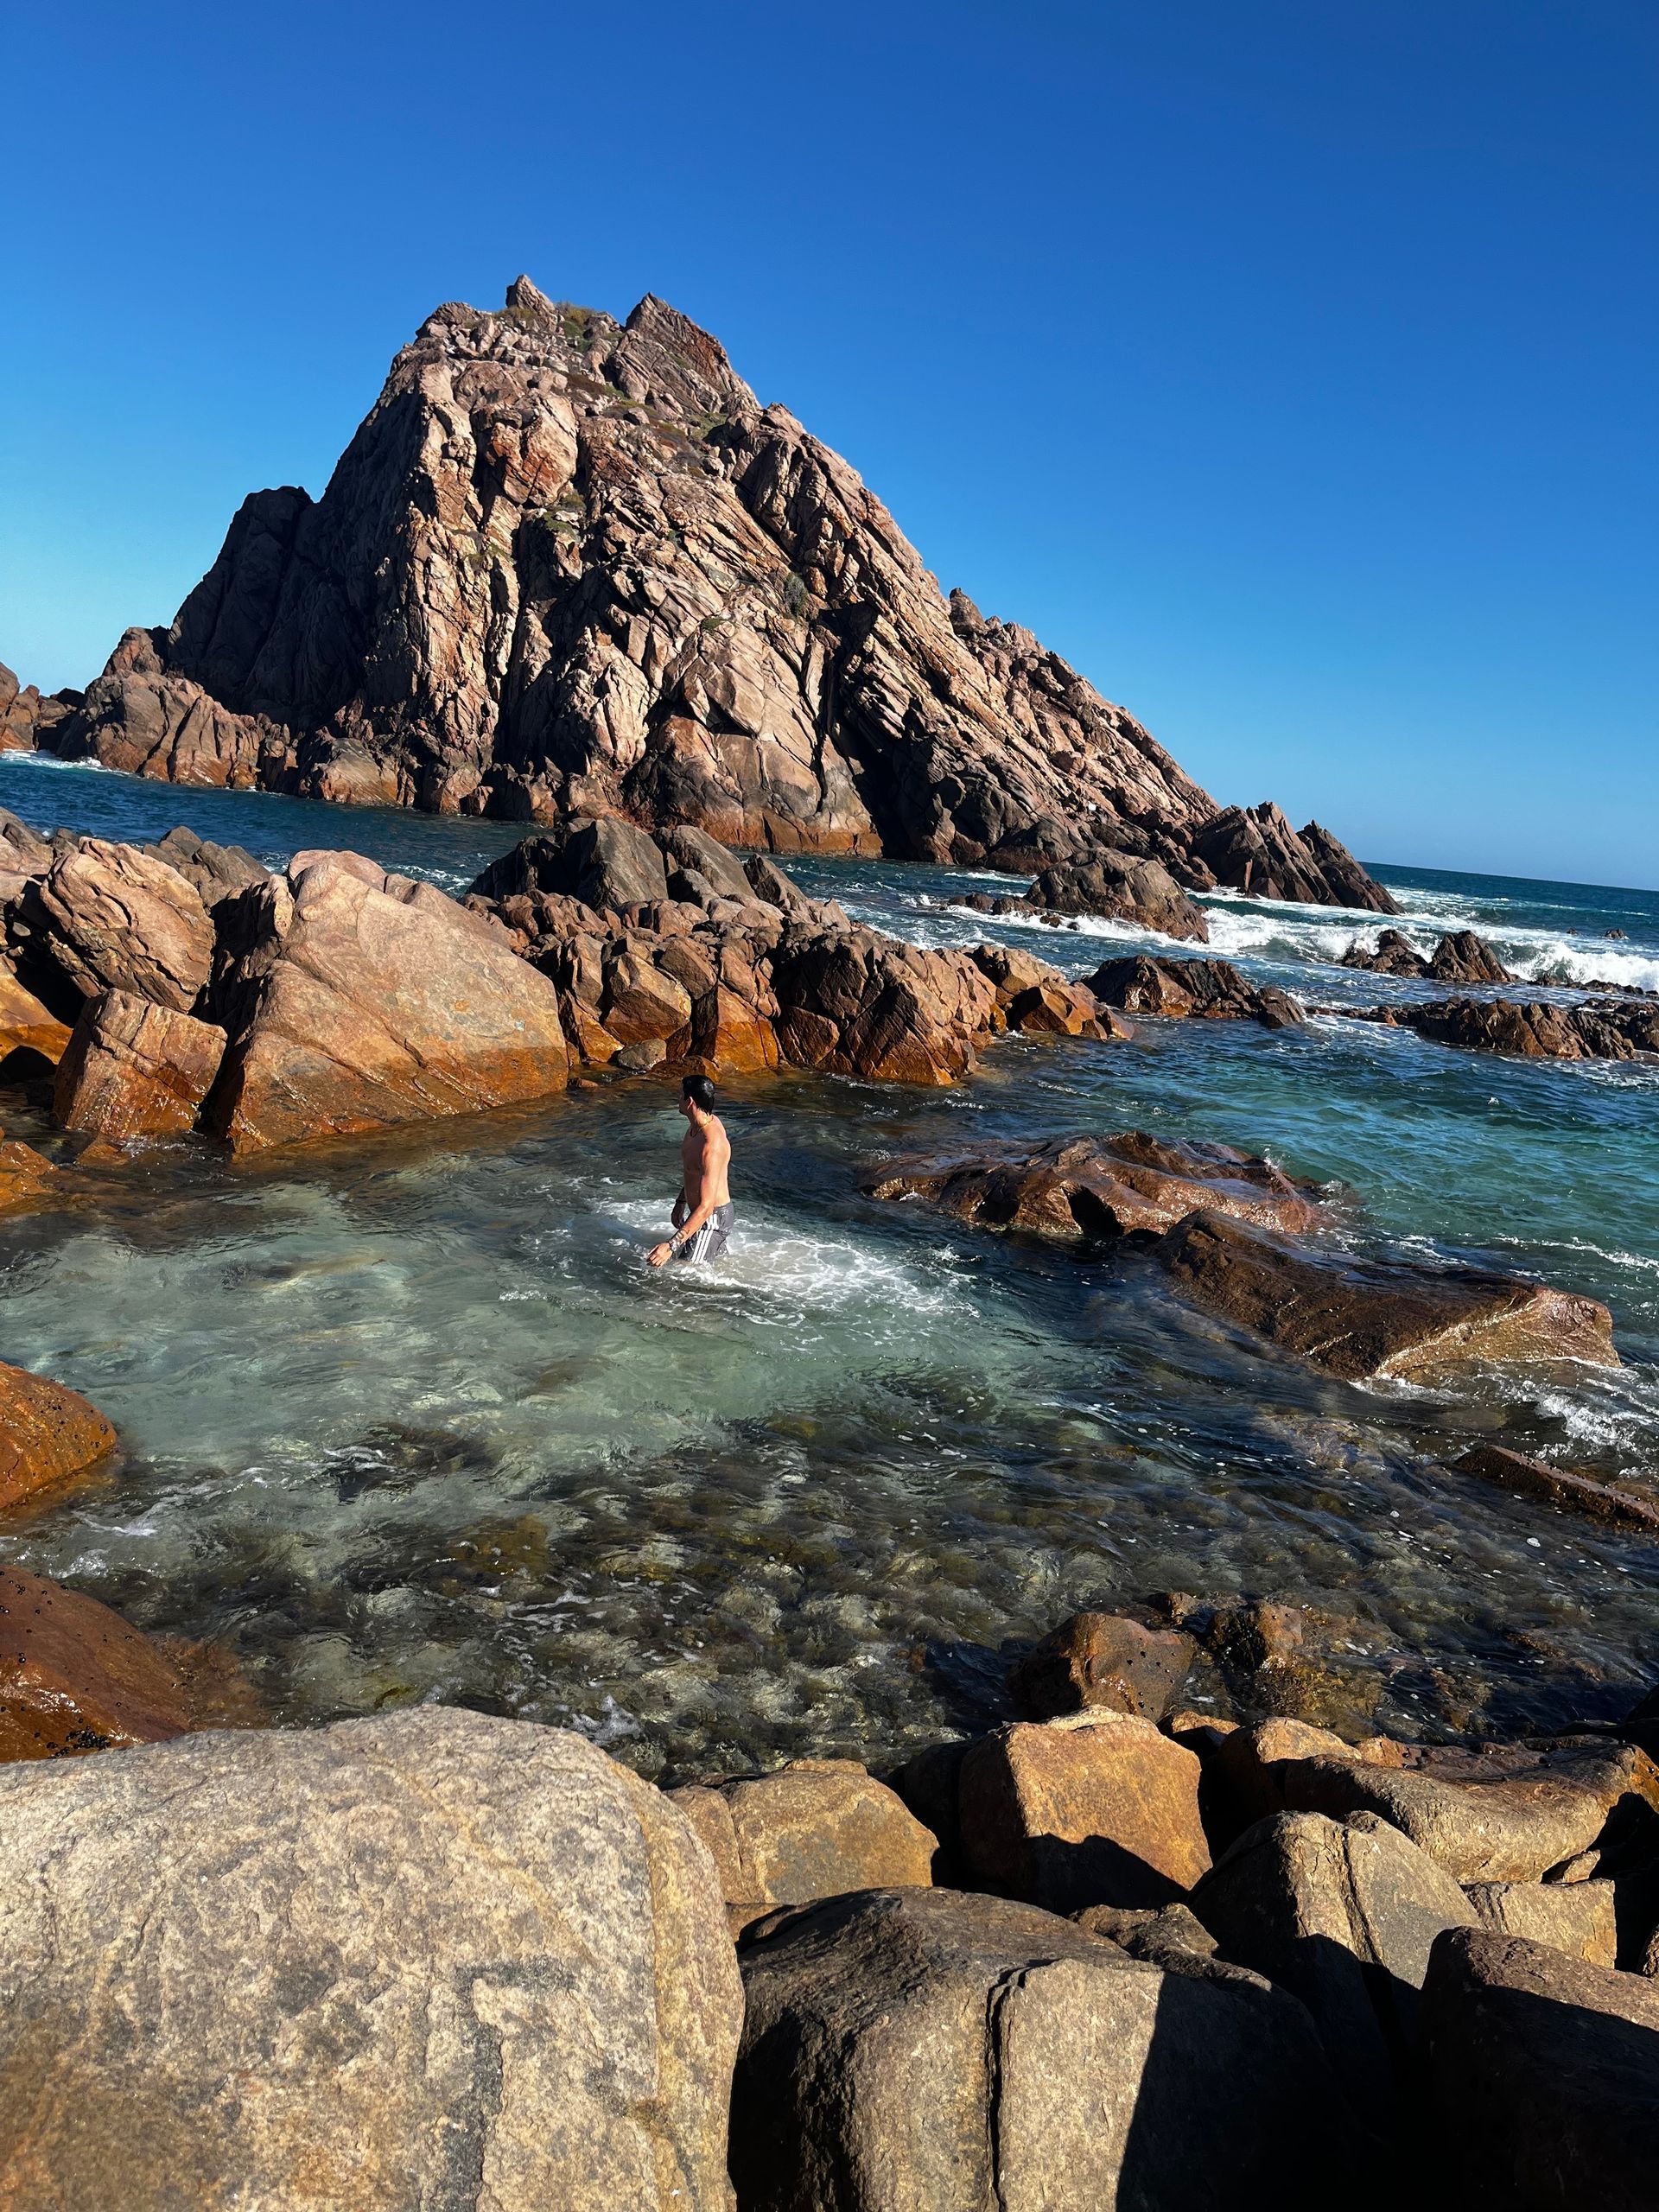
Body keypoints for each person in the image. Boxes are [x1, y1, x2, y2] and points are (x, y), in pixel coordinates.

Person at [647, 1073, 734, 1267]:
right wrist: (681, 1202)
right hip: (701, 1213)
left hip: (712, 1219)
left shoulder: (711, 1146)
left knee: (681, 1276)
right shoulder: (695, 1128)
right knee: (708, 1272)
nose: (678, 1099)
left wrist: (670, 1246)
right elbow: (694, 1172)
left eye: (681, 1095)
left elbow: (707, 1207)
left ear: (690, 1101)